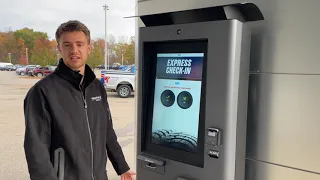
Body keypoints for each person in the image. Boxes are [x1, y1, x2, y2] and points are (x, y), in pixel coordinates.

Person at [23, 20, 136, 180]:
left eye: (79, 44)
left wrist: (122, 167)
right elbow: (36, 149)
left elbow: (107, 132)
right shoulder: (42, 92)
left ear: (88, 48)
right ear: (59, 49)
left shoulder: (97, 87)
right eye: (67, 45)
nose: (74, 50)